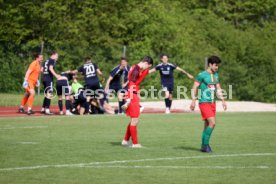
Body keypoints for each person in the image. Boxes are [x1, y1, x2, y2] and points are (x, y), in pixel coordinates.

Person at [190, 56, 227, 153]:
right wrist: (193, 100)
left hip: (213, 103)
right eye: (215, 65)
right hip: (204, 102)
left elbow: (218, 88)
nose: (216, 67)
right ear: (210, 64)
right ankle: (206, 145)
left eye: (218, 65)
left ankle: (203, 146)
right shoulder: (202, 75)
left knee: (207, 125)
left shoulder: (216, 75)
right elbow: (194, 87)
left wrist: (223, 100)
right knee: (212, 123)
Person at [121, 56, 153, 148]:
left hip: (133, 95)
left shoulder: (136, 68)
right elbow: (131, 85)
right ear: (146, 63)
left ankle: (125, 140)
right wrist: (128, 100)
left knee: (133, 120)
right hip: (132, 95)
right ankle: (135, 144)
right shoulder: (136, 70)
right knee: (135, 120)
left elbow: (143, 74)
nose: (148, 68)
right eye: (149, 66)